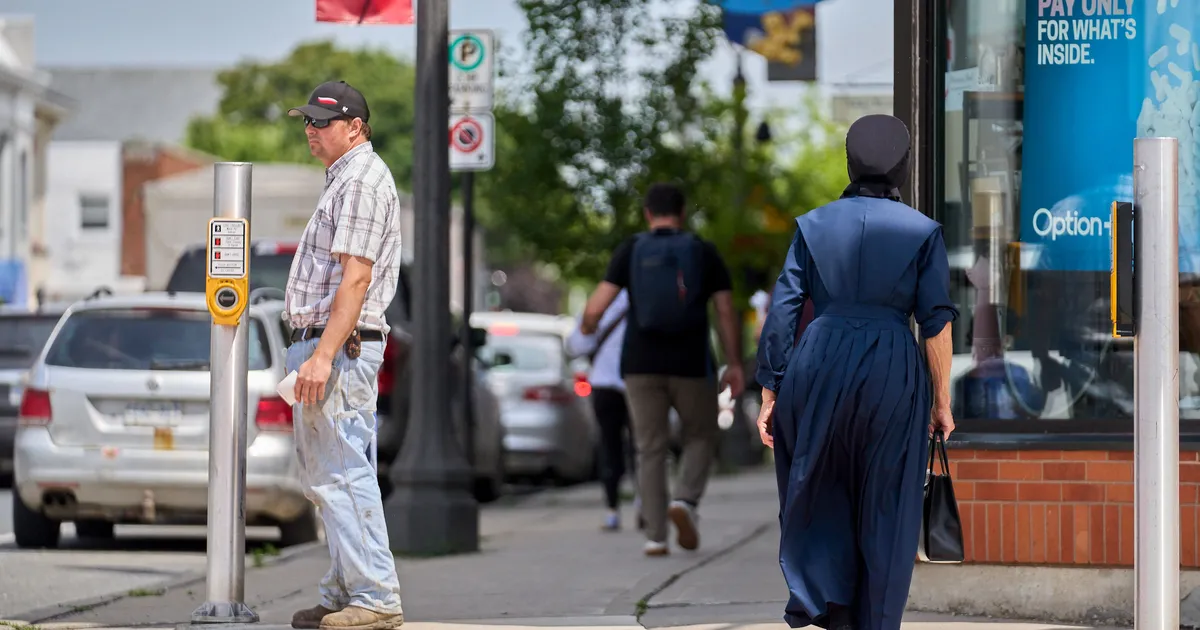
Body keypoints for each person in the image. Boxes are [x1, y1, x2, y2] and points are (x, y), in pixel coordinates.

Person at [753, 114, 958, 630]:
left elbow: (784, 309)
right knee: (888, 504)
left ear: (850, 163)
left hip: (819, 361)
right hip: (893, 367)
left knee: (819, 490)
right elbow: (936, 322)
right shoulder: (922, 232)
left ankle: (831, 611)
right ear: (903, 167)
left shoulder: (812, 226)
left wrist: (770, 390)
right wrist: (941, 401)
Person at [283, 80, 406, 630]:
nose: (311, 130)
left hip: (339, 347)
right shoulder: (347, 178)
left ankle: (374, 596)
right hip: (330, 345)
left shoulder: (360, 181)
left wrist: (323, 355)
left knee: (342, 474)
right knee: (330, 477)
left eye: (322, 122)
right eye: (307, 121)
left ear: (355, 127)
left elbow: (355, 280)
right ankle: (344, 591)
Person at [581, 182, 745, 557]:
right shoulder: (703, 251)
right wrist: (734, 362)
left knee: (649, 447)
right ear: (682, 213)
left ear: (648, 214)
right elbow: (724, 310)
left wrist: (589, 328)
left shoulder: (631, 249)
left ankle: (655, 537)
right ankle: (685, 499)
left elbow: (596, 307)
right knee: (700, 435)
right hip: (691, 362)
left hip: (641, 364)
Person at [566, 289, 639, 531]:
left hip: (604, 383)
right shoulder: (644, 296)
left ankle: (612, 510)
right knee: (643, 446)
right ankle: (644, 503)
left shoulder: (598, 302)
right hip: (637, 382)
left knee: (609, 446)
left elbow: (576, 345)